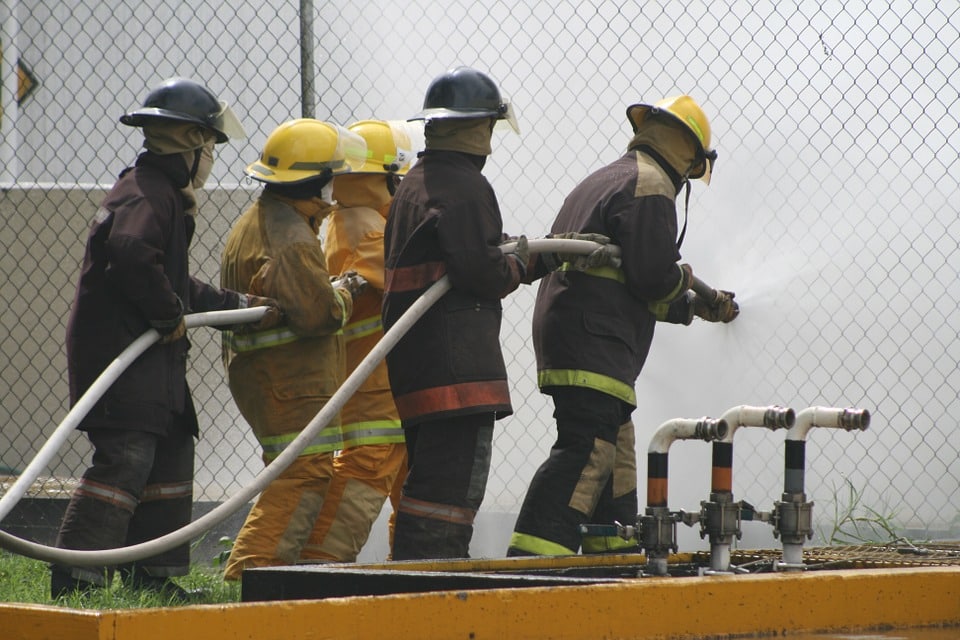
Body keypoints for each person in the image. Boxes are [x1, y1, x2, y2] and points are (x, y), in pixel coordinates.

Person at [51, 77, 280, 599]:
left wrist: (243, 308)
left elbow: (175, 284)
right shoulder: (149, 194)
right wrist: (165, 312)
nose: (212, 160)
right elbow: (133, 255)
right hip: (124, 358)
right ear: (193, 144)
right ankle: (76, 580)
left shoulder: (156, 193)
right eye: (211, 148)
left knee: (172, 450)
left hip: (150, 361)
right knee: (126, 459)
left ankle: (154, 580)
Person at [507, 95, 739, 557]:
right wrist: (692, 287)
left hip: (579, 333)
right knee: (588, 453)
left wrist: (688, 306)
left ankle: (612, 560)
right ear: (689, 155)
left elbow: (628, 280)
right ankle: (529, 567)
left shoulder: (604, 178)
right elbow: (653, 275)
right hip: (596, 343)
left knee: (617, 459)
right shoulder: (651, 186)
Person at [380, 66, 535, 561]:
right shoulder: (464, 186)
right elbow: (483, 272)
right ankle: (432, 581)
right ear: (476, 128)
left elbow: (463, 257)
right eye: (490, 127)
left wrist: (515, 256)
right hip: (455, 371)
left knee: (430, 483)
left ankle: (417, 579)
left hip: (421, 364)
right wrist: (527, 262)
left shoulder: (415, 182)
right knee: (450, 489)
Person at [219, 118, 368, 580]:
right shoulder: (291, 241)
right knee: (300, 474)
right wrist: (346, 292)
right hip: (287, 382)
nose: (333, 189)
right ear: (312, 180)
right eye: (329, 177)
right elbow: (318, 314)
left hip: (270, 376)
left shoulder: (264, 218)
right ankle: (250, 578)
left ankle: (272, 578)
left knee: (297, 472)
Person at [300, 119, 419, 563]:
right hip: (375, 388)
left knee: (409, 480)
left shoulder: (345, 220)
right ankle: (318, 569)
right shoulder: (372, 231)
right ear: (385, 177)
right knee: (365, 474)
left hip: (375, 380)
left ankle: (412, 571)